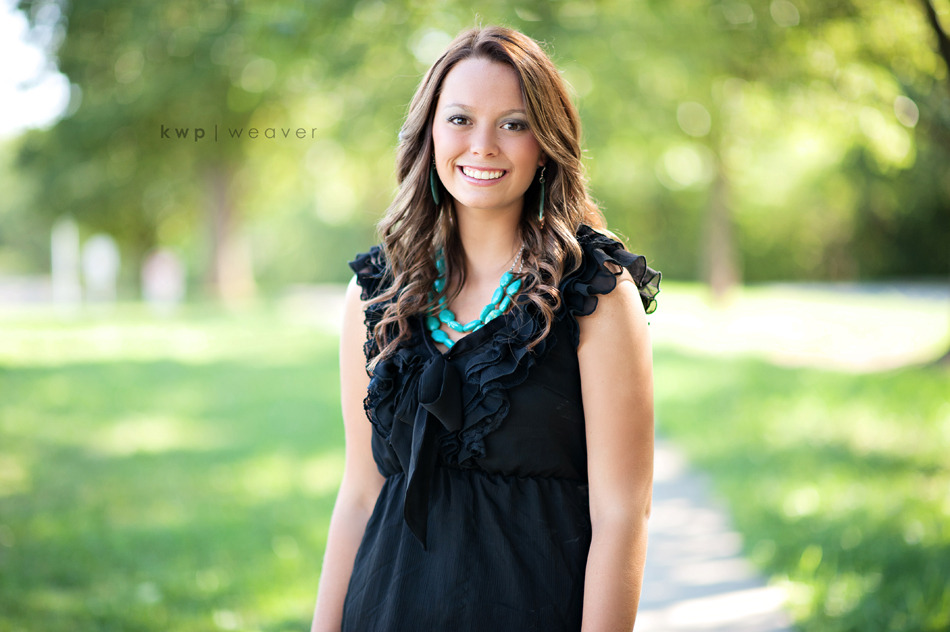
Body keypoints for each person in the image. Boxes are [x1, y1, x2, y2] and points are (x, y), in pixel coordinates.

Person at [310, 25, 661, 632]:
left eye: (513, 124)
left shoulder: (595, 296)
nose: (482, 145)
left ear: (546, 144)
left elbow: (623, 514)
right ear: (429, 133)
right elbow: (361, 495)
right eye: (460, 119)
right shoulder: (376, 295)